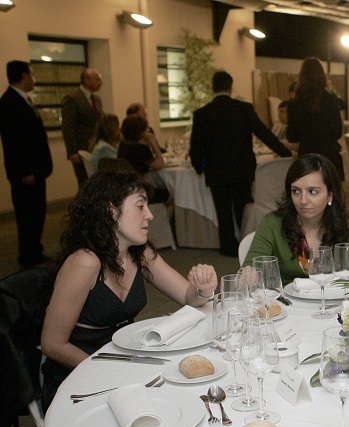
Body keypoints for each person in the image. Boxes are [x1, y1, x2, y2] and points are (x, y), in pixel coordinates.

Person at [39, 170, 218, 411]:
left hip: (124, 364)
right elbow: (52, 344)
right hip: (79, 375)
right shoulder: (85, 263)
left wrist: (204, 289)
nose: (150, 215)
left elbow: (188, 296)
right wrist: (106, 372)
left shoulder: (140, 254)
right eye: (140, 206)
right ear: (111, 211)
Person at [190, 70, 291, 256]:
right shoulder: (243, 108)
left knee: (223, 212)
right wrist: (286, 153)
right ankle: (249, 244)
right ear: (230, 87)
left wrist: (198, 167)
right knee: (243, 210)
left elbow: (195, 146)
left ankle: (228, 247)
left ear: (213, 88)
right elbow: (264, 134)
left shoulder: (202, 114)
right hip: (242, 169)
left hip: (216, 171)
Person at [243, 154, 349, 285]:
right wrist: (248, 275)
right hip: (284, 297)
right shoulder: (273, 224)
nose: (303, 200)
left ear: (330, 195)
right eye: (296, 191)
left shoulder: (343, 228)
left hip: (332, 297)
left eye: (312, 191)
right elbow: (252, 267)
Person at [0, 61, 52, 270]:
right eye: (31, 74)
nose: (33, 79)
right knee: (27, 213)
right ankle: (27, 255)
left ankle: (35, 249)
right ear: (23, 76)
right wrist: (25, 171)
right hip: (26, 173)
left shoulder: (24, 100)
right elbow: (12, 142)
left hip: (37, 170)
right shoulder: (8, 102)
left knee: (37, 211)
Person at [287, 58, 344, 180]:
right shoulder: (331, 100)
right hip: (329, 157)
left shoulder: (294, 104)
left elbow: (292, 136)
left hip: (307, 158)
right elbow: (337, 132)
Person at [61, 68, 103, 188]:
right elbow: (68, 126)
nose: (100, 82)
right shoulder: (72, 98)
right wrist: (72, 151)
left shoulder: (96, 99)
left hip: (96, 148)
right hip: (81, 148)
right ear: (87, 80)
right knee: (85, 183)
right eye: (97, 79)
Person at [117, 114, 170, 204]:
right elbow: (160, 164)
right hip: (141, 189)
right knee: (170, 195)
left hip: (126, 189)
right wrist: (153, 143)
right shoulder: (140, 148)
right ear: (141, 131)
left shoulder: (122, 146)